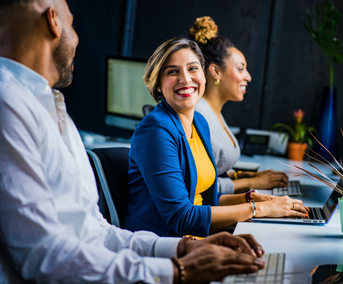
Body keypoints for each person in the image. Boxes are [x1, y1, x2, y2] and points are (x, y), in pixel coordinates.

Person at [0, 1, 267, 283]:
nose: (76, 38)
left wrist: (185, 248)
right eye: (72, 24)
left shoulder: (50, 105)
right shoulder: (9, 103)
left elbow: (95, 233)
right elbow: (44, 257)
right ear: (54, 21)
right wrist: (178, 270)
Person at [124, 37, 309, 238]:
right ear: (158, 84)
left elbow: (207, 201)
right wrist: (259, 209)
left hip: (197, 237)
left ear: (204, 75)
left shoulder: (200, 123)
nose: (185, 79)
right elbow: (182, 218)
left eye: (193, 69)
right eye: (172, 71)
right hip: (162, 243)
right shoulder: (155, 130)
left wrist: (255, 199)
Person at [190, 16, 289, 194]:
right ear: (216, 71)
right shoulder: (199, 116)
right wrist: (252, 183)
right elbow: (201, 188)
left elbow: (217, 172)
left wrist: (248, 176)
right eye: (241, 68)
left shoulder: (214, 112)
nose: (248, 77)